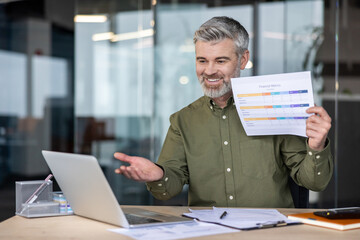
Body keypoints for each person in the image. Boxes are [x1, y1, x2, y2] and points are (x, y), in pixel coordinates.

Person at [114, 16, 333, 208]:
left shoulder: (275, 108)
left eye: (220, 60)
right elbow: (167, 188)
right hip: (206, 232)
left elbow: (315, 182)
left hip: (270, 232)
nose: (209, 71)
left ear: (243, 59)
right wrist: (158, 175)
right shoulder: (183, 120)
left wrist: (316, 146)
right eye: (202, 60)